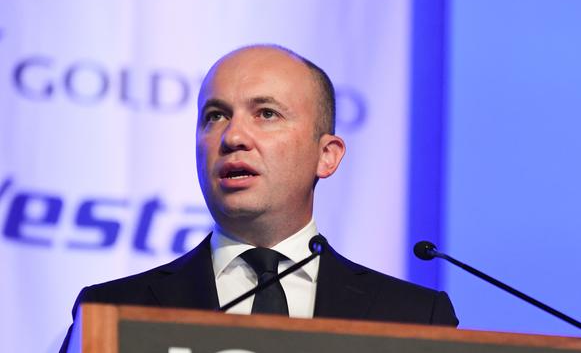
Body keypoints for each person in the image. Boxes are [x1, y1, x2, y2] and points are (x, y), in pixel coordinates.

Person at [60, 45, 458, 351]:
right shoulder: (114, 311)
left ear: (327, 155)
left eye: (266, 114)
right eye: (215, 115)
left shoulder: (413, 317)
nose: (232, 137)